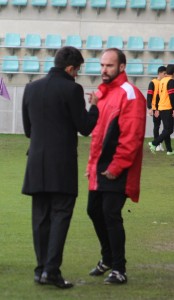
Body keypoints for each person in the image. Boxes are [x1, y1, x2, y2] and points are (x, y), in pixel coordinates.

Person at [22, 46, 99, 289]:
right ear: (70, 68)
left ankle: (41, 269)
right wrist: (95, 106)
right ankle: (51, 271)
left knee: (40, 218)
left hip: (36, 162)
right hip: (62, 164)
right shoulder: (72, 89)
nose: (77, 75)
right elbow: (85, 127)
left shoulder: (30, 88)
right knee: (60, 216)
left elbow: (28, 130)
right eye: (77, 70)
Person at [86, 48, 146, 285]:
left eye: (109, 66)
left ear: (122, 67)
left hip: (119, 168)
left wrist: (117, 166)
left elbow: (132, 136)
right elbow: (98, 135)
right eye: (102, 65)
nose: (103, 70)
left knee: (111, 213)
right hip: (100, 168)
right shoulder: (104, 93)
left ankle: (119, 268)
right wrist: (92, 165)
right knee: (93, 211)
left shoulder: (130, 94)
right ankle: (108, 258)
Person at [148, 64, 174, 155]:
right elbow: (172, 96)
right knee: (168, 129)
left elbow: (159, 95)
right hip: (166, 108)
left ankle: (169, 150)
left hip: (161, 107)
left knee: (166, 129)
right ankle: (154, 143)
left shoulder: (162, 81)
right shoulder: (170, 81)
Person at [147, 66, 166, 151]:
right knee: (157, 126)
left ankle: (159, 143)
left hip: (165, 108)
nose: (165, 75)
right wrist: (150, 107)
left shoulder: (165, 82)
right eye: (164, 73)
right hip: (155, 108)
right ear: (160, 73)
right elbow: (149, 96)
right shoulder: (153, 82)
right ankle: (157, 145)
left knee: (167, 128)